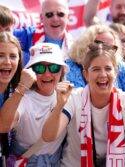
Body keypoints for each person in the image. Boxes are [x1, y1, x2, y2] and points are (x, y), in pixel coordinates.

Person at [42, 42, 125, 167]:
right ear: (86, 75)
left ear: (116, 73)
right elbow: (48, 136)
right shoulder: (73, 98)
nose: (102, 74)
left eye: (108, 69)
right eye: (96, 69)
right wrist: (59, 106)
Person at [0, 42, 72, 166]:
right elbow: (2, 126)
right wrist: (21, 88)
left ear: (62, 71)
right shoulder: (23, 98)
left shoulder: (69, 95)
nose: (47, 74)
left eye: (54, 68)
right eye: (40, 68)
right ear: (31, 72)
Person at [66, 24, 125, 94]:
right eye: (100, 44)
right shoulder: (66, 68)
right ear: (85, 45)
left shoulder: (120, 67)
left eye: (111, 48)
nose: (105, 51)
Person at [13, 0, 73, 66]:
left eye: (60, 14)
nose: (55, 19)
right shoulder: (28, 35)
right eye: (49, 15)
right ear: (41, 17)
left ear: (68, 17)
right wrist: (27, 59)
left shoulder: (75, 46)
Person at [0, 32, 22, 167]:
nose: (7, 62)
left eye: (13, 56)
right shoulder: (21, 89)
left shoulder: (16, 89)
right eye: (0, 55)